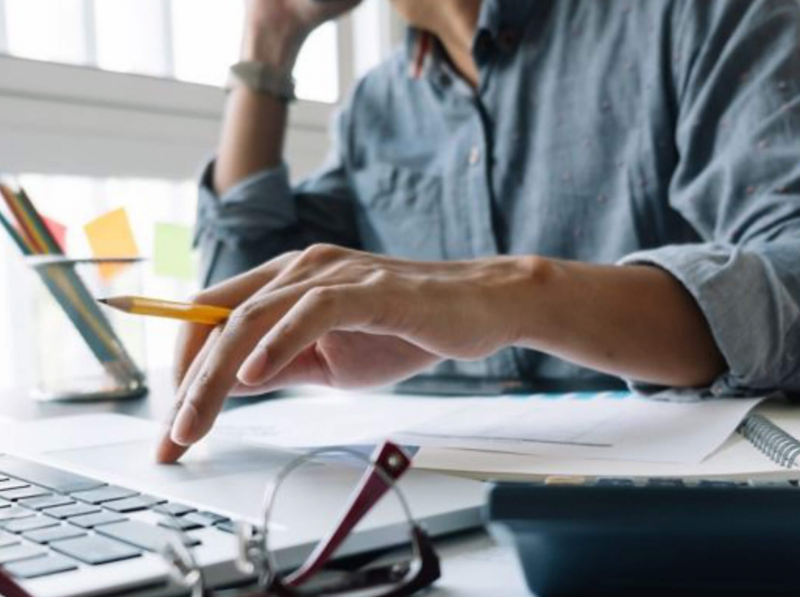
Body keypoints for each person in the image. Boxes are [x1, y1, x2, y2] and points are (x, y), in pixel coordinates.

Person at [157, 0, 800, 463]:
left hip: (665, 514)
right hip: (419, 505)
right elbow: (235, 327)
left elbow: (791, 271)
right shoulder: (374, 111)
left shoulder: (701, 16)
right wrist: (268, 33)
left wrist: (521, 292)